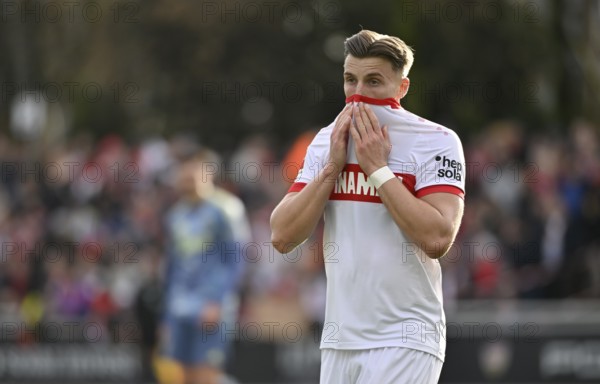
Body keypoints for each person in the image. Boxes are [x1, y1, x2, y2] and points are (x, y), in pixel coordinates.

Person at [270, 30, 465, 383]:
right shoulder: (327, 141)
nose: (358, 92)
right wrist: (332, 167)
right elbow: (282, 236)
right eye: (350, 79)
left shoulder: (436, 140)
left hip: (406, 336)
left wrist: (377, 169)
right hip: (339, 338)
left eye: (373, 81)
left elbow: (438, 238)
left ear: (401, 87)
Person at [161, 148, 250, 384]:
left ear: (208, 172)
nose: (187, 177)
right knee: (183, 375)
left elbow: (237, 259)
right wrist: (167, 315)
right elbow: (171, 266)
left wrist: (217, 301)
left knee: (206, 375)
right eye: (184, 172)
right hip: (179, 305)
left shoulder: (226, 209)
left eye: (193, 171)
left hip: (210, 305)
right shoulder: (175, 215)